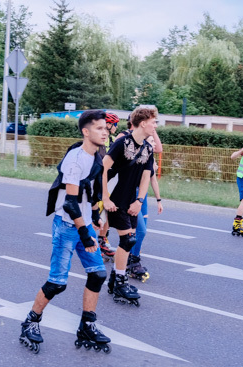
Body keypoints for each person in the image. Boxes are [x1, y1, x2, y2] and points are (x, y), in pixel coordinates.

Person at [19, 110, 111, 354]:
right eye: (100, 128)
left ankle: (87, 325)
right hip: (67, 226)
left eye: (106, 128)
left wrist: (95, 219)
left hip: (84, 223)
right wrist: (86, 234)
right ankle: (31, 321)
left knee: (98, 275)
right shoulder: (75, 159)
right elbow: (70, 203)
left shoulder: (96, 156)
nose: (105, 132)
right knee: (57, 283)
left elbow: (89, 194)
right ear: (86, 131)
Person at [102, 105, 158, 306]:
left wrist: (139, 200)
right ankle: (120, 280)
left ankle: (114, 279)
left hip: (131, 201)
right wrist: (105, 198)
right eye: (153, 122)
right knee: (126, 241)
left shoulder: (148, 148)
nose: (155, 126)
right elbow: (103, 168)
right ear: (143, 123)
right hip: (115, 200)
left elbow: (145, 177)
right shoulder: (121, 143)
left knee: (130, 241)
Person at [127, 136, 163, 282]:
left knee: (140, 231)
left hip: (143, 196)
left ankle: (131, 258)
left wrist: (159, 200)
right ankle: (132, 261)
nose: (154, 143)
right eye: (152, 141)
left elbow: (153, 180)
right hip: (133, 194)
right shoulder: (137, 154)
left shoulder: (150, 156)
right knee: (139, 231)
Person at [96, 112, 119, 261]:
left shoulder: (112, 140)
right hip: (99, 181)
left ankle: (103, 240)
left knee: (107, 212)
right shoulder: (99, 140)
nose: (116, 127)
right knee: (98, 212)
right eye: (115, 124)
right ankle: (95, 241)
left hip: (111, 181)